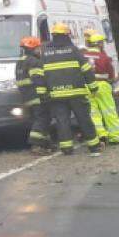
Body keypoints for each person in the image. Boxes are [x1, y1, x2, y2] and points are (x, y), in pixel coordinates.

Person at [38, 24, 101, 156]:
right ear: (66, 35)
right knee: (84, 119)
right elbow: (86, 69)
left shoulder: (45, 52)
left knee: (62, 121)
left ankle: (67, 148)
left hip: (56, 95)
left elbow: (40, 75)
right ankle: (94, 146)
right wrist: (93, 87)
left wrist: (43, 93)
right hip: (76, 93)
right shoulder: (73, 50)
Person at [82, 31, 119, 145]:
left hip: (87, 86)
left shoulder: (83, 56)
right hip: (102, 86)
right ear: (99, 44)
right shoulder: (104, 57)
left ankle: (101, 135)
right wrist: (113, 79)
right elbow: (111, 76)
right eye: (102, 43)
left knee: (93, 113)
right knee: (109, 111)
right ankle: (115, 137)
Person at [15, 36, 52, 154]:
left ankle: (45, 144)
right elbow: (38, 80)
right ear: (32, 49)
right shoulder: (34, 62)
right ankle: (36, 145)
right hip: (36, 95)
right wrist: (44, 95)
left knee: (38, 119)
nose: (39, 50)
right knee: (42, 119)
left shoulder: (20, 61)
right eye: (37, 48)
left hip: (26, 96)